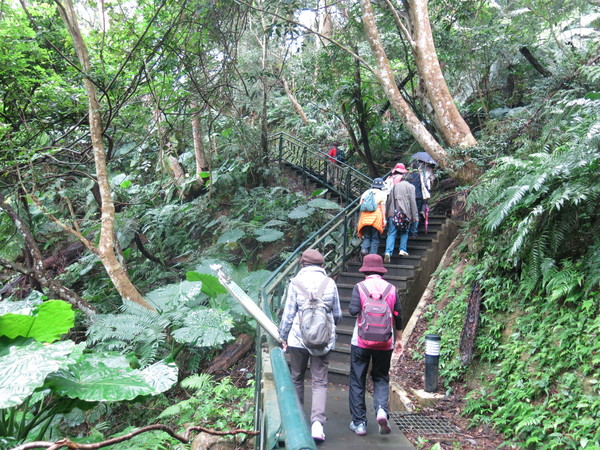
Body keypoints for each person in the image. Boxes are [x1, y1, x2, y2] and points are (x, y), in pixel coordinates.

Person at [278, 249, 342, 443]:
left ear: (302, 264)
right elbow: (337, 314)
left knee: (297, 377)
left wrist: (283, 336)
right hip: (323, 340)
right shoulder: (329, 283)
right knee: (319, 381)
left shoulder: (295, 283)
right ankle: (317, 425)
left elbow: (288, 314)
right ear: (322, 265)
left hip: (298, 339)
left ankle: (297, 421)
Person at [348, 254, 403, 436]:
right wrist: (399, 339)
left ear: (365, 270)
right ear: (381, 271)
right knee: (380, 377)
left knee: (357, 379)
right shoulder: (391, 289)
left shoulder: (359, 287)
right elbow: (398, 315)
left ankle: (359, 423)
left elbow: (353, 311)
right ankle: (381, 410)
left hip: (361, 341)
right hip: (385, 342)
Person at [384, 167, 418, 263]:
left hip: (393, 213)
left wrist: (387, 214)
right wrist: (415, 216)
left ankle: (388, 252)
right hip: (405, 214)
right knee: (404, 232)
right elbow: (413, 202)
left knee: (391, 233)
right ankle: (402, 249)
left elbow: (389, 201)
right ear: (410, 180)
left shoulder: (394, 187)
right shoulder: (411, 187)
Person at [357, 178, 387, 257]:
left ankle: (364, 250)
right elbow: (383, 207)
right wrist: (384, 219)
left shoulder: (366, 192)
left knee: (367, 237)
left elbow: (361, 205)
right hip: (376, 218)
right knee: (375, 238)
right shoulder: (382, 194)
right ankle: (372, 256)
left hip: (365, 218)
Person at [405, 161, 433, 237]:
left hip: (409, 197)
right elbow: (425, 186)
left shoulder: (408, 176)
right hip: (418, 197)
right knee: (416, 213)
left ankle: (406, 230)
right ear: (418, 168)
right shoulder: (420, 176)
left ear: (411, 167)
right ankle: (414, 231)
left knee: (408, 213)